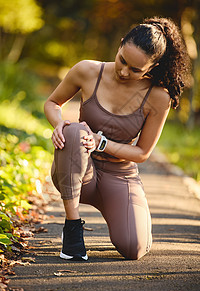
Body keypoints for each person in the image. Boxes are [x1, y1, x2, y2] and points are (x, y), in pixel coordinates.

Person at [44, 16, 190, 261]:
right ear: (120, 45)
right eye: (122, 60)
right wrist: (59, 124)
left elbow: (143, 153)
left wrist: (101, 142)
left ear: (152, 68)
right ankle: (72, 229)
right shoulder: (87, 70)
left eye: (135, 70)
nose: (124, 71)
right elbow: (52, 103)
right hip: (78, 170)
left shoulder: (158, 98)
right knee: (73, 130)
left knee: (133, 248)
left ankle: (137, 224)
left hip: (119, 176)